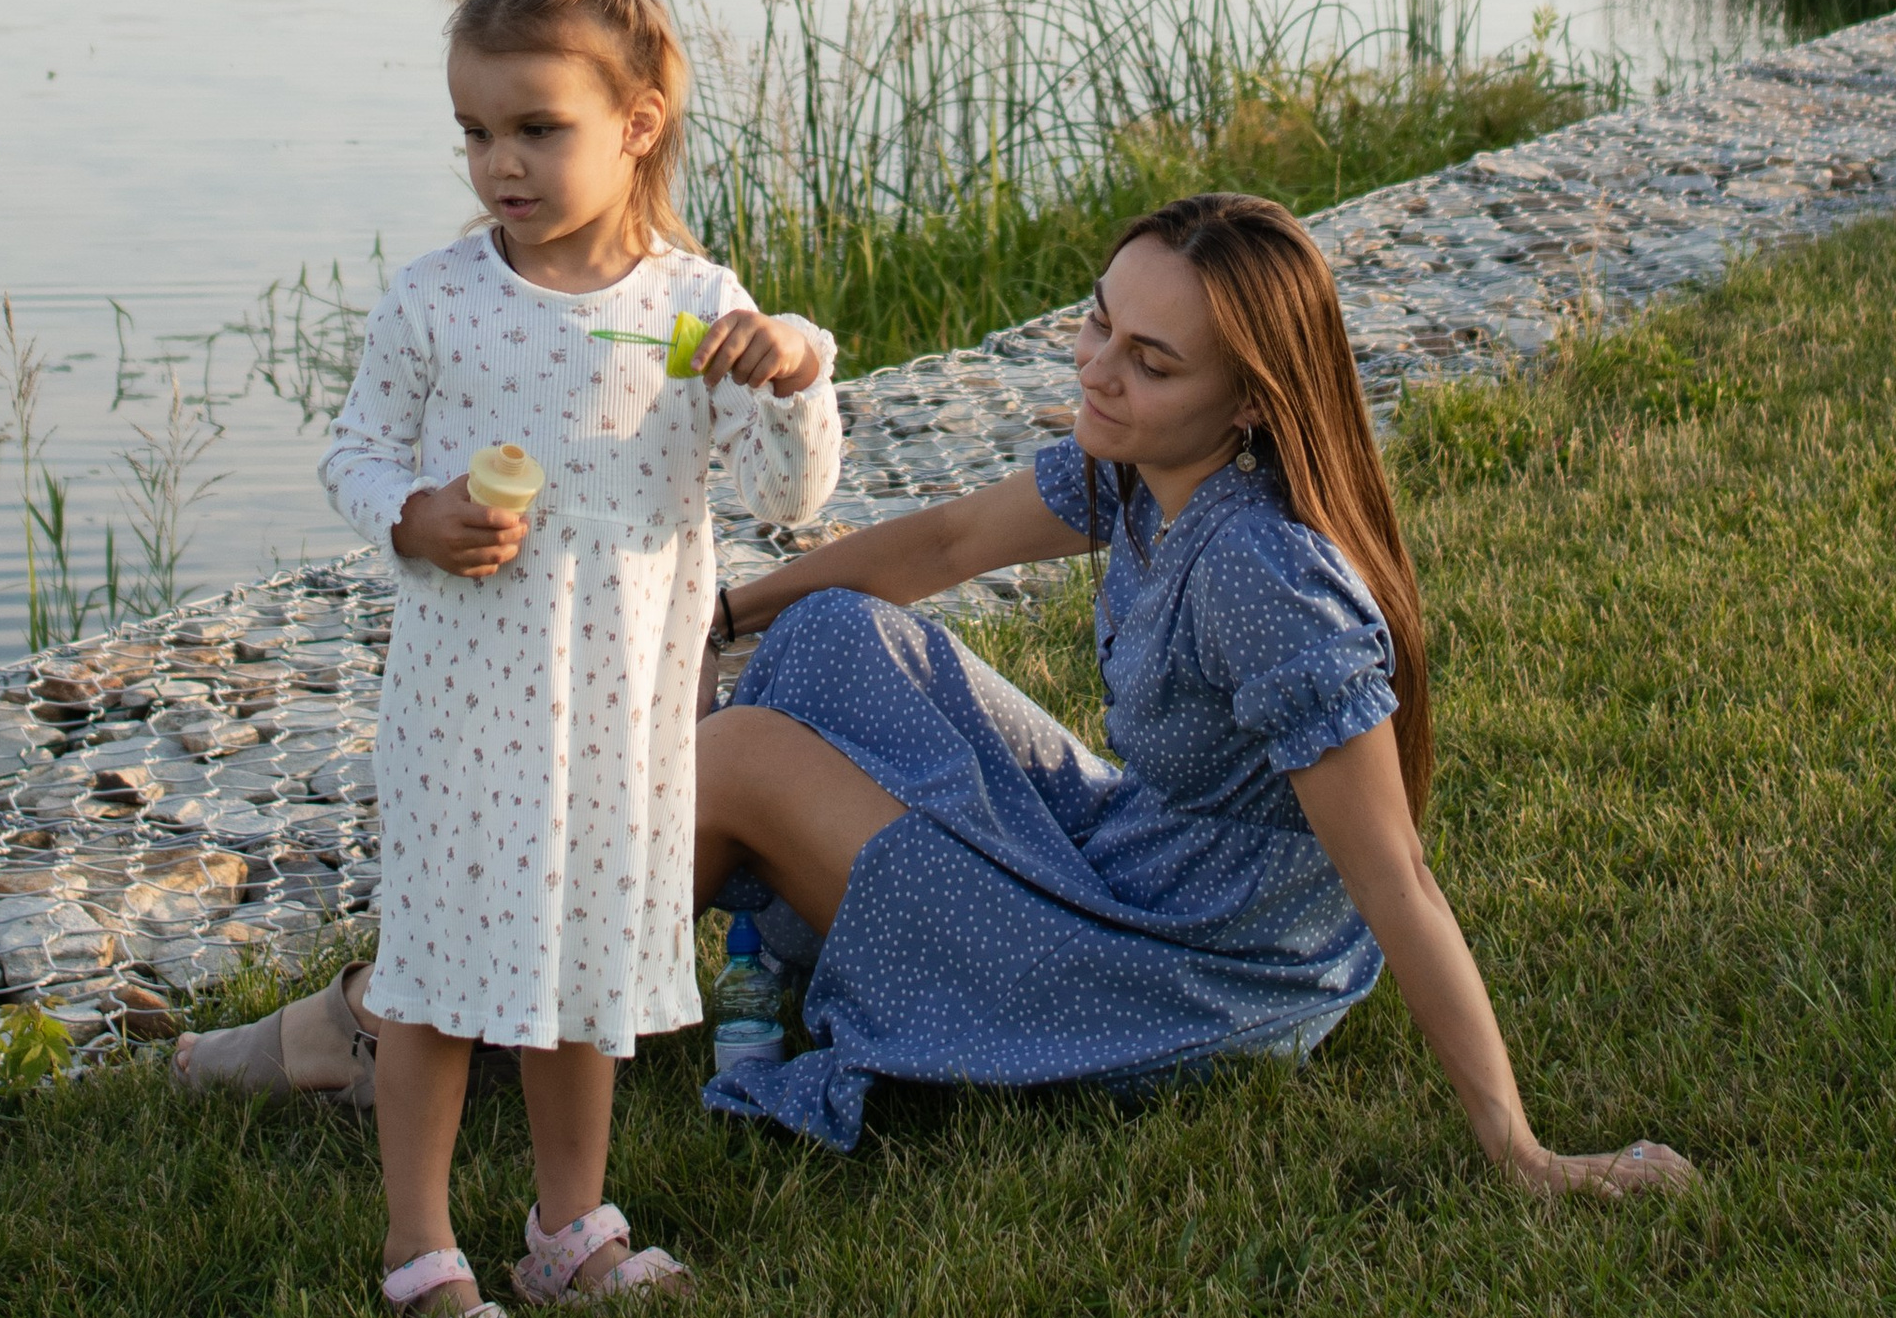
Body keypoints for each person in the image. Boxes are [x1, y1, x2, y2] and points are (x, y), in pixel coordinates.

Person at [693, 190, 1693, 1198]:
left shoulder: (1264, 578)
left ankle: (555, 1011)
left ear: (1251, 400)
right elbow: (947, 543)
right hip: (1134, 855)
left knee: (740, 754)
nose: (1094, 367)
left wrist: (1522, 1153)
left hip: (1178, 977)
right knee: (826, 632)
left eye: (1150, 361)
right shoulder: (1136, 468)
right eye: (1097, 322)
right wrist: (719, 616)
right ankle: (597, 974)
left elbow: (1397, 878)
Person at [177, 0, 841, 1318]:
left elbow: (794, 496)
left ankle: (567, 1226)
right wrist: (410, 515)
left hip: (623, 707)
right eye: (474, 135)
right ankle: (424, 1249)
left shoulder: (696, 310)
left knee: (582, 965)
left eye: (536, 131)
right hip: (467, 703)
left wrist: (794, 366)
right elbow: (354, 456)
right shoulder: (436, 304)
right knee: (435, 973)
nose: (500, 168)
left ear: (638, 122)